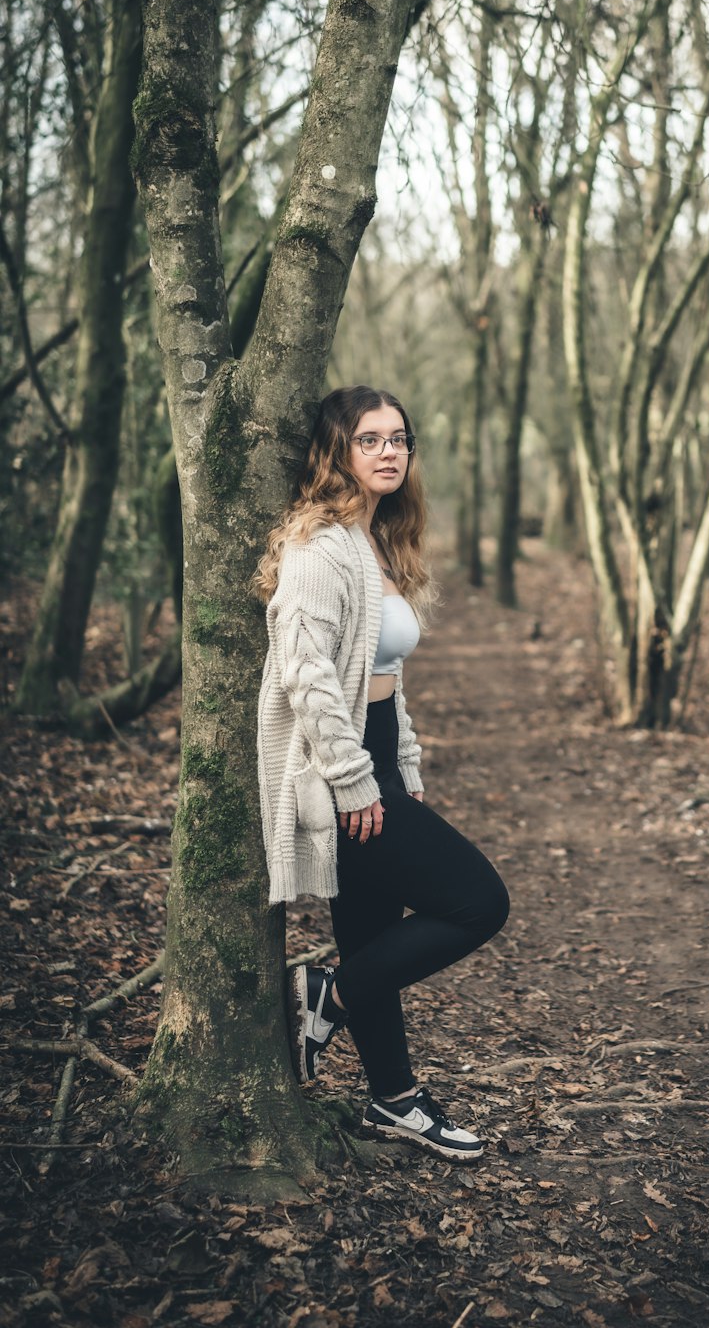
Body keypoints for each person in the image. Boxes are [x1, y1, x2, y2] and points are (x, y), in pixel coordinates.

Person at [253, 385, 509, 1161]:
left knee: (373, 933)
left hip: (374, 752)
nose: (391, 450)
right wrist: (355, 776)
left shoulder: (377, 541)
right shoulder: (319, 547)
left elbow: (383, 669)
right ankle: (329, 993)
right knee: (478, 902)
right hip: (338, 767)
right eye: (371, 440)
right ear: (338, 452)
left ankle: (393, 1100)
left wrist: (401, 759)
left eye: (400, 437)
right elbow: (306, 671)